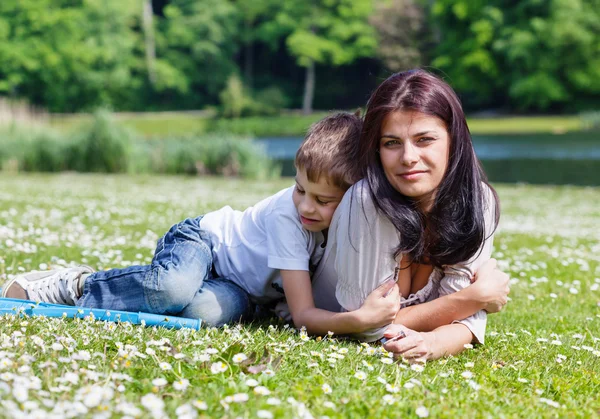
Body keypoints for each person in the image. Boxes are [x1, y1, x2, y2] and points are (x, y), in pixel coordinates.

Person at [2, 112, 401, 334]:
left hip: (240, 288)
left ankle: (133, 293)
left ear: (352, 198)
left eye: (323, 200)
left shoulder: (351, 225)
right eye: (300, 189)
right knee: (171, 288)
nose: (307, 206)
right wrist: (356, 321)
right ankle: (75, 285)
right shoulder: (288, 217)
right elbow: (304, 315)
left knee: (200, 316)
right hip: (204, 242)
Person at [307, 69, 510, 361]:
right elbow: (366, 327)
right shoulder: (366, 201)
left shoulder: (479, 202)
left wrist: (435, 342)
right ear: (376, 150)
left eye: (424, 139)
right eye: (391, 143)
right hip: (247, 275)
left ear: (453, 141)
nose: (408, 158)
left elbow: (463, 320)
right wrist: (474, 297)